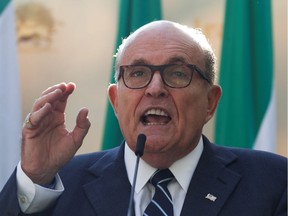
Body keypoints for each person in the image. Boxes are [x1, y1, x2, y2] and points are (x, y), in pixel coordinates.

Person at [0, 20, 286, 216]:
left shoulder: (274, 182)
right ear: (115, 101)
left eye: (177, 73)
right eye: (137, 74)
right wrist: (35, 177)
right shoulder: (58, 186)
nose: (155, 88)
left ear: (210, 102)